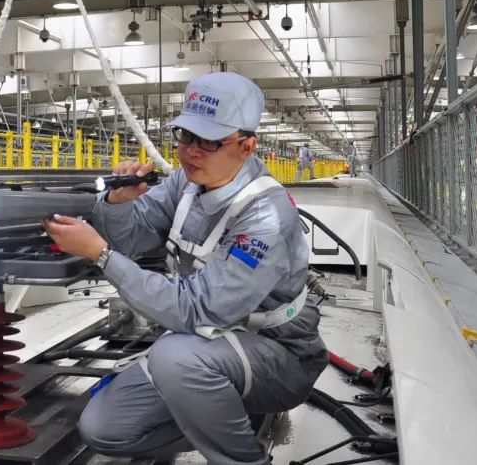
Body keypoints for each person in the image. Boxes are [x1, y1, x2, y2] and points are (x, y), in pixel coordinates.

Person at [44, 73, 327, 464]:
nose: (191, 151)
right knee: (104, 430)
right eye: (185, 136)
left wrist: (101, 254)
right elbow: (133, 237)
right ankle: (219, 409)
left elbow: (198, 311)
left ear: (247, 146)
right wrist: (117, 204)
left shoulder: (264, 218)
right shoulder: (187, 184)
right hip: (210, 347)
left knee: (175, 356)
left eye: (209, 141)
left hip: (278, 356)